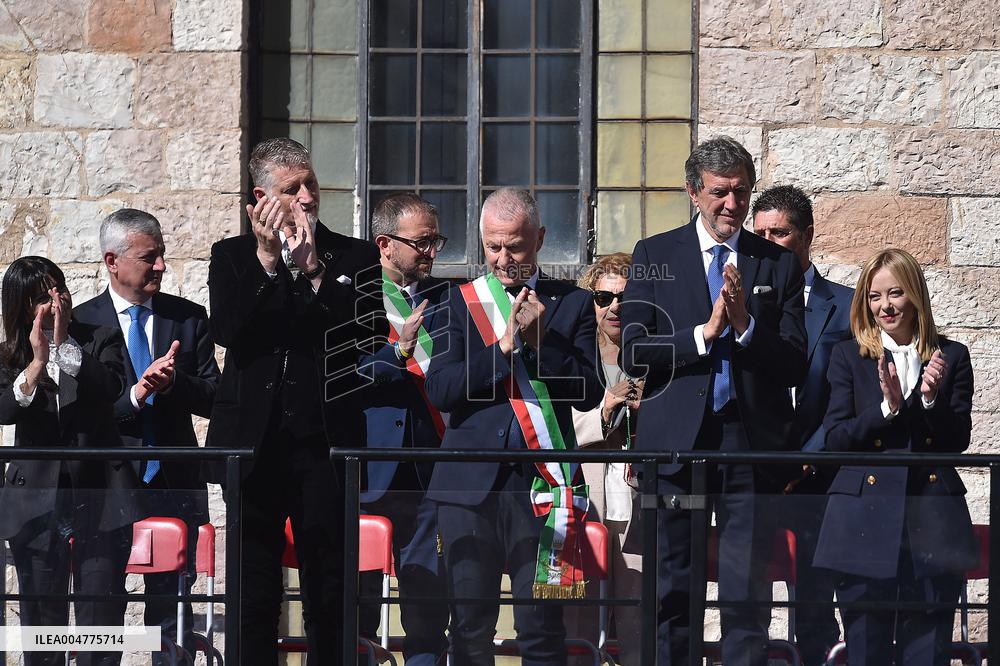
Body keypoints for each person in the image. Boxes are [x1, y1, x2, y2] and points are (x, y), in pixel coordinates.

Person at [620, 136, 807, 666]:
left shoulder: (777, 263)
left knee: (746, 592)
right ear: (693, 192)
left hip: (749, 450)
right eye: (720, 192)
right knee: (673, 587)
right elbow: (634, 351)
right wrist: (703, 334)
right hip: (676, 452)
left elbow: (794, 362)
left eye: (742, 192)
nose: (732, 204)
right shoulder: (654, 255)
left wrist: (745, 327)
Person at [206, 137, 385, 664]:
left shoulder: (354, 255)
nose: (306, 196)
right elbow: (229, 332)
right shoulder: (231, 255)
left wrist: (315, 273)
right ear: (261, 198)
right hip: (254, 447)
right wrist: (267, 260)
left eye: (311, 184)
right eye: (291, 188)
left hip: (323, 445)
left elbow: (369, 334)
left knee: (329, 591)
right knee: (253, 591)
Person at [425, 187, 602, 665]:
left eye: (515, 247)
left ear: (539, 239)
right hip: (467, 488)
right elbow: (440, 390)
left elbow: (589, 391)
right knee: (468, 628)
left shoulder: (573, 303)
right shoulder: (459, 302)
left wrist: (543, 343)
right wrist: (501, 351)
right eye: (493, 246)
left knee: (542, 629)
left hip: (543, 486)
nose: (503, 259)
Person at [813, 248, 977, 665]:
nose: (884, 306)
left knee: (926, 654)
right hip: (862, 526)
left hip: (931, 527)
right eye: (874, 296)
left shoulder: (952, 355)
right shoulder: (848, 356)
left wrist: (929, 401)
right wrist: (886, 410)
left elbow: (958, 439)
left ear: (915, 296)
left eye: (895, 293)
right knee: (866, 652)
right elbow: (836, 438)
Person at [73, 208, 220, 663]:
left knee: (171, 619)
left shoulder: (187, 319)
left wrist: (174, 384)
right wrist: (136, 396)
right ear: (112, 261)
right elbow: (79, 413)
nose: (160, 266)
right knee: (100, 612)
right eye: (148, 257)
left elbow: (215, 396)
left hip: (173, 485)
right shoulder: (81, 325)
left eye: (162, 255)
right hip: (106, 489)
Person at [0, 256, 143, 666]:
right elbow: (5, 410)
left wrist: (64, 346)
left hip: (99, 496)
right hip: (36, 503)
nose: (54, 301)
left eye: (58, 289)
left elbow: (113, 388)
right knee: (42, 620)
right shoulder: (8, 355)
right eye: (41, 297)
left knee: (100, 613)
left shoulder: (100, 337)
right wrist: (37, 363)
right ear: (21, 305)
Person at [751, 185, 849, 664]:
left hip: (820, 475)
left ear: (807, 236)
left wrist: (809, 458)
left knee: (815, 604)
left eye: (780, 233)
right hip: (756, 472)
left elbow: (852, 396)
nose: (768, 243)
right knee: (747, 599)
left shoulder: (847, 306)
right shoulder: (737, 303)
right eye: (760, 234)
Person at [357, 193, 450, 664]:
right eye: (421, 242)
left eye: (436, 240)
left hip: (429, 469)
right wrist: (397, 353)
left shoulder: (449, 298)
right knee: (357, 608)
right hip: (366, 466)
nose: (431, 251)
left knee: (428, 604)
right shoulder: (352, 295)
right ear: (385, 243)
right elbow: (340, 373)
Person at [568, 253, 643, 666]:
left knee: (637, 617)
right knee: (579, 621)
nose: (615, 307)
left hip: (636, 500)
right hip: (588, 499)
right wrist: (604, 410)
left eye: (625, 298)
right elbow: (558, 428)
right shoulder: (576, 356)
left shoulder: (654, 355)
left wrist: (648, 411)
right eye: (603, 298)